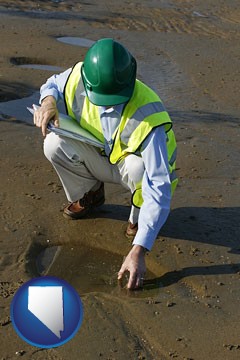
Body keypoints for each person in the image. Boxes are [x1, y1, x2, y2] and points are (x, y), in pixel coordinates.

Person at [34, 38, 178, 290]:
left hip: (132, 171)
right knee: (53, 143)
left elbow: (158, 184)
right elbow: (53, 84)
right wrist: (48, 101)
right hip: (100, 154)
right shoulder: (79, 76)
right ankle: (91, 195)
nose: (110, 104)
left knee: (138, 167)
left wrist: (139, 250)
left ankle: (137, 220)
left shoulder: (149, 113)